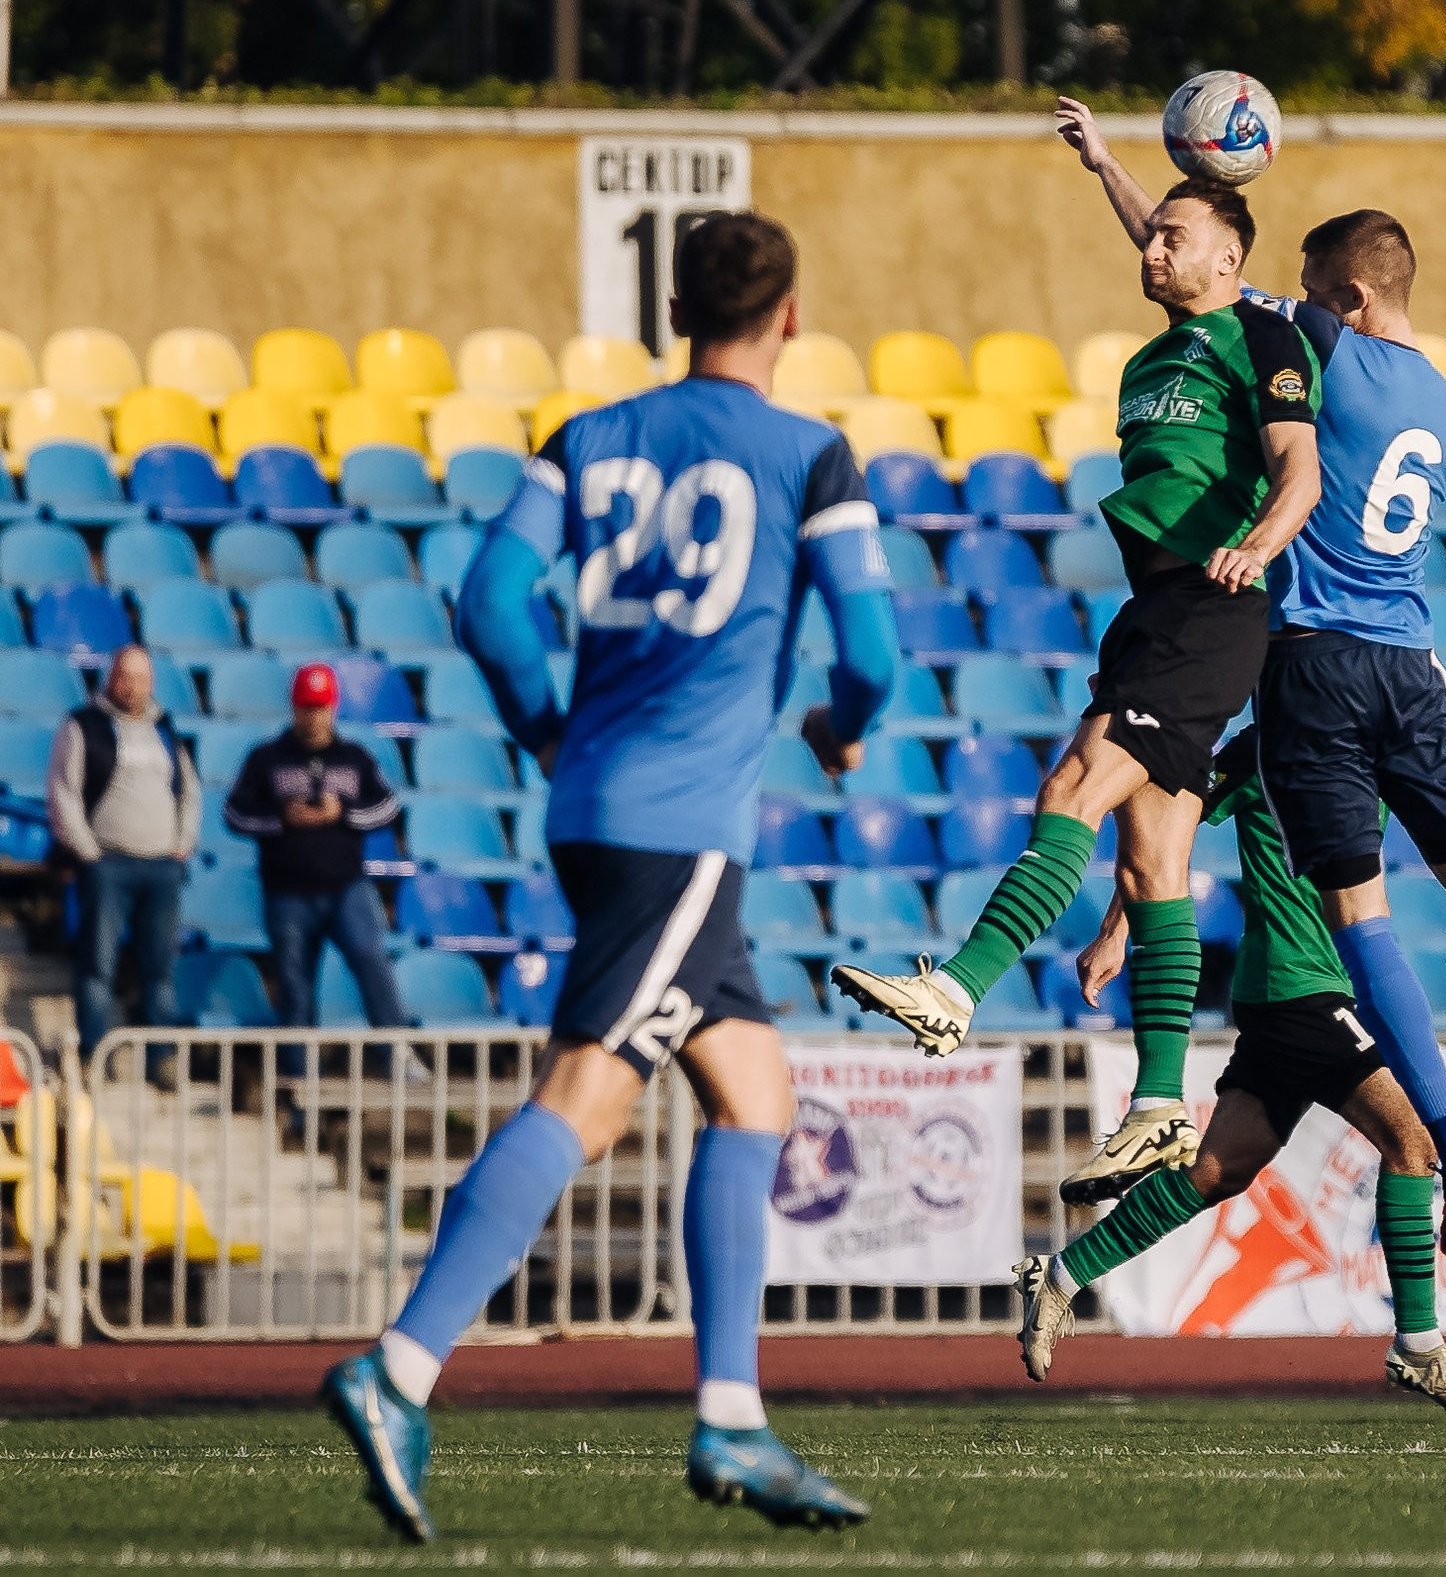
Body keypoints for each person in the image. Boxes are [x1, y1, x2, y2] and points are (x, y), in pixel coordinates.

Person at [321, 211, 900, 1543]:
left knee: (755, 1089)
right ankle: (399, 1365)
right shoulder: (811, 453)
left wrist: (543, 722)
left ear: (675, 312)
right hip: (683, 828)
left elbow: (487, 597)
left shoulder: (584, 439)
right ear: (793, 315)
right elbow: (870, 647)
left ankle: (736, 1418)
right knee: (586, 1095)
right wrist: (836, 718)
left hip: (599, 803)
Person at [1022, 98, 1446, 1236]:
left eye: (1316, 291)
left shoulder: (1323, 348)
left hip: (1316, 664)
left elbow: (1198, 281)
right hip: (1417, 667)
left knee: (1362, 920)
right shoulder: (1445, 405)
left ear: (1349, 300)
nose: (1301, 307)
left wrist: (1112, 174)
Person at [834, 150, 1324, 1209]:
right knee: (1153, 862)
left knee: (1069, 791)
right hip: (1155, 609)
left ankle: (957, 988)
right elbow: (1165, 233)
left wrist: (1258, 545)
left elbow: (1300, 470)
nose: (1153, 246)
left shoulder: (1262, 336)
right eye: (1149, 234)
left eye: (1173, 236)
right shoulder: (1173, 338)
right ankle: (1157, 1103)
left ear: (1231, 257)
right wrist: (1104, 162)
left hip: (1210, 602)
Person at [1014, 727, 1446, 1417]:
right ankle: (1419, 1343)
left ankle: (1063, 1274)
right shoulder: (1260, 750)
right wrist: (1119, 929)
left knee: (1217, 1170)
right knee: (1413, 1142)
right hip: (1302, 986)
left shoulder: (1378, 743)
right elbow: (1164, 831)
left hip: (1302, 989)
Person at [222, 663, 406, 1037]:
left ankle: (399, 1058)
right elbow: (234, 814)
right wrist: (282, 817)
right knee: (295, 986)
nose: (314, 716)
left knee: (373, 963)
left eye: (320, 707)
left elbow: (388, 807)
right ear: (293, 707)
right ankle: (297, 1078)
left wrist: (344, 812)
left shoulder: (354, 757)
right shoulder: (266, 758)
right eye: (307, 707)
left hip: (347, 888)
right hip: (288, 893)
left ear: (334, 707)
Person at [48, 644, 200, 1062]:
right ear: (110, 677)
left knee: (161, 970)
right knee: (98, 965)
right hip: (108, 864)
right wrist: (89, 852)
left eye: (141, 678)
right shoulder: (83, 725)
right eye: (124, 676)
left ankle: (161, 1059)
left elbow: (189, 790)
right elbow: (64, 792)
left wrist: (182, 844)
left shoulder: (165, 728)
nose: (132, 687)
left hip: (161, 867)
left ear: (152, 683)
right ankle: (96, 1055)